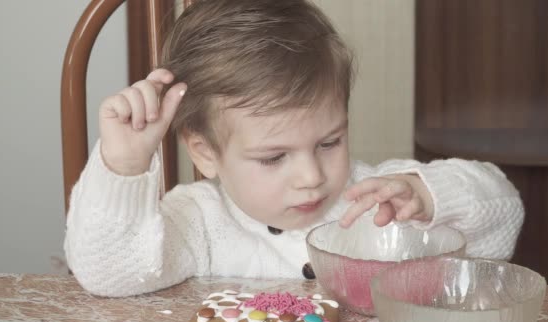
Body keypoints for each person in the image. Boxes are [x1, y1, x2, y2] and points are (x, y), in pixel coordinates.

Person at [64, 0, 524, 297]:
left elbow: (504, 214)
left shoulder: (376, 202)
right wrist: (123, 166)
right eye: (273, 157)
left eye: (329, 142)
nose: (312, 176)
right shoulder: (197, 222)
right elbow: (110, 275)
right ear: (204, 153)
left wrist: (426, 194)